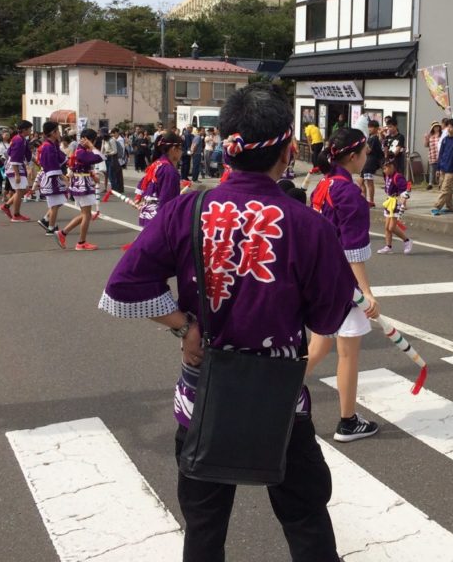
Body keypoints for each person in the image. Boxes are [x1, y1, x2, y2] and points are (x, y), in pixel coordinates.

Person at [98, 82, 357, 562]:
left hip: (205, 390)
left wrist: (184, 325)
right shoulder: (306, 224)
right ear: (288, 151)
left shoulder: (188, 209)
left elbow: (123, 287)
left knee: (204, 527)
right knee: (305, 519)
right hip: (278, 396)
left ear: (227, 148)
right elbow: (329, 314)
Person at [307, 127, 382, 442]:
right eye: (365, 152)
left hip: (319, 278)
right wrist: (366, 293)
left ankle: (277, 392)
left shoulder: (322, 185)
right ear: (353, 156)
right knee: (347, 353)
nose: (367, 158)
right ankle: (348, 421)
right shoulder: (349, 192)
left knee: (319, 346)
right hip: (343, 284)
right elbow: (353, 251)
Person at [56, 129, 103, 251]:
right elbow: (100, 157)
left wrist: (92, 175)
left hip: (80, 182)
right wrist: (92, 146)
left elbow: (80, 167)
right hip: (82, 184)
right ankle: (81, 242)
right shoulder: (82, 151)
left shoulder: (80, 151)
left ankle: (63, 233)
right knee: (86, 215)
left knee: (84, 214)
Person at [35, 122, 68, 244]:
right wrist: (62, 176)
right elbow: (52, 164)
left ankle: (45, 220)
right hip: (51, 178)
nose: (59, 133)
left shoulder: (51, 144)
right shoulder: (48, 147)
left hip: (52, 177)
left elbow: (60, 158)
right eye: (58, 131)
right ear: (53, 133)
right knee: (55, 205)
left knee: (59, 202)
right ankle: (50, 228)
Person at [0, 121, 33, 223]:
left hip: (17, 166)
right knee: (20, 190)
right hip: (15, 167)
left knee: (24, 189)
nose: (31, 131)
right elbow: (13, 157)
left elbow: (9, 152)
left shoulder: (20, 139)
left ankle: (6, 206)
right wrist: (17, 174)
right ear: (24, 130)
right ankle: (16, 215)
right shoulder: (18, 140)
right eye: (29, 129)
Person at [377, 158, 411, 254]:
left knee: (392, 227)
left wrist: (403, 202)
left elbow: (404, 190)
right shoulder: (388, 176)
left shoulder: (398, 177)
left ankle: (407, 241)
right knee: (387, 227)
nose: (384, 171)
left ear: (391, 167)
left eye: (385, 168)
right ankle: (388, 246)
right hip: (389, 202)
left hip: (396, 203)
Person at [431, 118, 453, 216]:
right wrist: (438, 168)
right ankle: (450, 207)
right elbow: (441, 154)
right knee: (444, 188)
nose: (449, 128)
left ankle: (437, 206)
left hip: (451, 170)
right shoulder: (445, 139)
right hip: (443, 168)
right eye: (448, 126)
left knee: (445, 189)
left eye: (451, 127)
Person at [358, 120, 382, 207]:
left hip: (370, 162)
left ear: (376, 128)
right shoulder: (371, 137)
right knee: (360, 181)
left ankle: (371, 201)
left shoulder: (374, 138)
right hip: (366, 162)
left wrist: (363, 146)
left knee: (369, 182)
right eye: (369, 127)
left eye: (371, 127)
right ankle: (364, 200)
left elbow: (368, 150)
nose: (370, 129)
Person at [424, 122, 441, 189]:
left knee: (440, 170)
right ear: (432, 128)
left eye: (437, 127)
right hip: (432, 154)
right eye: (434, 127)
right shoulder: (430, 136)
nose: (436, 128)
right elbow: (426, 145)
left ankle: (440, 183)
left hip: (440, 155)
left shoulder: (441, 135)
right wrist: (426, 138)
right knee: (432, 170)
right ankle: (430, 183)